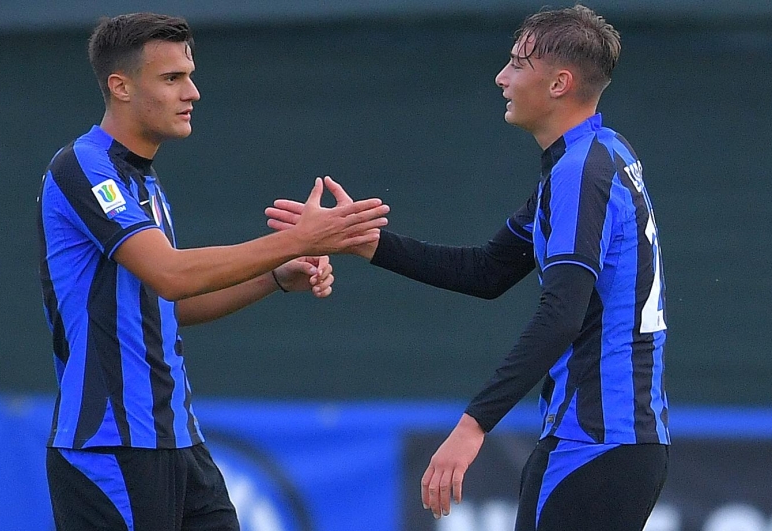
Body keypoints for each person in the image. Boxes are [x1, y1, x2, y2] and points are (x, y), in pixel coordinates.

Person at [266, 5, 668, 530]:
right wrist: (363, 243)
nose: (502, 77)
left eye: (517, 64)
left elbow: (561, 316)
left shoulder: (580, 173)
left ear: (559, 84)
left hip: (591, 441)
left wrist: (472, 427)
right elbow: (487, 271)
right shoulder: (600, 154)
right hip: (621, 441)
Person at [37, 12, 389, 531]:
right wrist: (300, 238)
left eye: (190, 75)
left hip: (178, 440)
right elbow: (172, 275)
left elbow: (172, 305)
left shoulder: (145, 182)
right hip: (112, 445)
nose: (192, 92)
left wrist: (276, 275)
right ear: (121, 87)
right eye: (172, 78)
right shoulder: (83, 166)